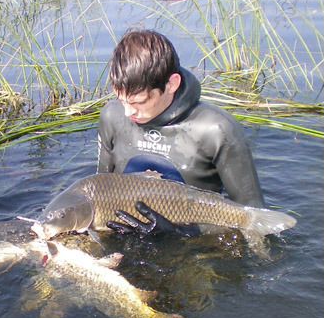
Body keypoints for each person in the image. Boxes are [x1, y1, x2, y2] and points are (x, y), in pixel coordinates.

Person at [98, 29, 265, 237]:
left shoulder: (216, 130)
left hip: (195, 246)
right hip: (127, 237)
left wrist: (177, 232)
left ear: (172, 84)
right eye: (121, 99)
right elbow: (99, 192)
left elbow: (254, 218)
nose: (128, 111)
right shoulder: (111, 116)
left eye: (139, 102)